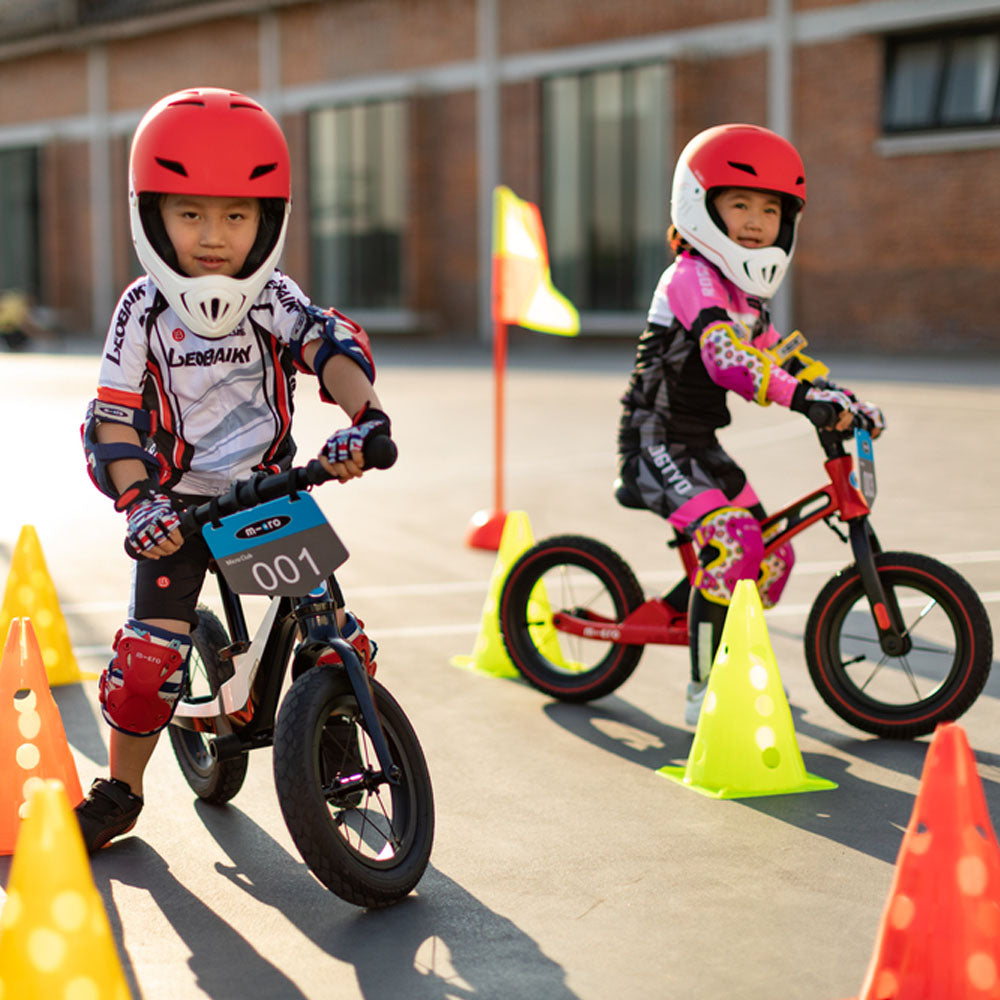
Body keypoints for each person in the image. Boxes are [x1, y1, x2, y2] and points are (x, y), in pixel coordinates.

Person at [75, 87, 393, 852]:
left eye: (236, 215)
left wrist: (367, 420)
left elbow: (327, 349)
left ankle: (336, 744)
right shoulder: (142, 310)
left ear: (268, 220)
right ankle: (122, 791)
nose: (214, 236)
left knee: (334, 636)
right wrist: (137, 503)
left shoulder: (272, 296)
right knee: (149, 659)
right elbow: (113, 415)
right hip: (175, 506)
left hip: (265, 493)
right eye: (191, 214)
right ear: (152, 215)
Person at [616, 122, 884, 725]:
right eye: (740, 204)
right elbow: (726, 357)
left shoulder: (745, 297)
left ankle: (739, 665)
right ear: (700, 205)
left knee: (773, 555)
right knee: (737, 540)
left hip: (697, 444)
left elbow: (782, 354)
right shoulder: (691, 278)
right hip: (653, 442)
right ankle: (706, 688)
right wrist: (799, 400)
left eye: (771, 209)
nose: (758, 221)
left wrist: (838, 396)